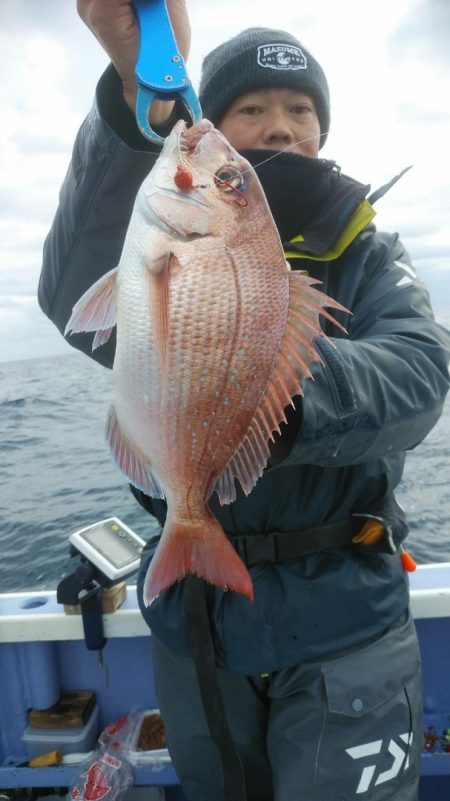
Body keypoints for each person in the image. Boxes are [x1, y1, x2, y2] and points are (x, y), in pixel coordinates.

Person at [38, 2, 450, 800]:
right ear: (209, 125)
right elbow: (72, 294)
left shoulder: (367, 252)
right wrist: (134, 101)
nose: (281, 126)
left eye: (301, 109)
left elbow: (420, 371)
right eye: (251, 109)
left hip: (347, 620)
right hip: (196, 627)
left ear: (323, 129)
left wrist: (269, 390)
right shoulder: (157, 228)